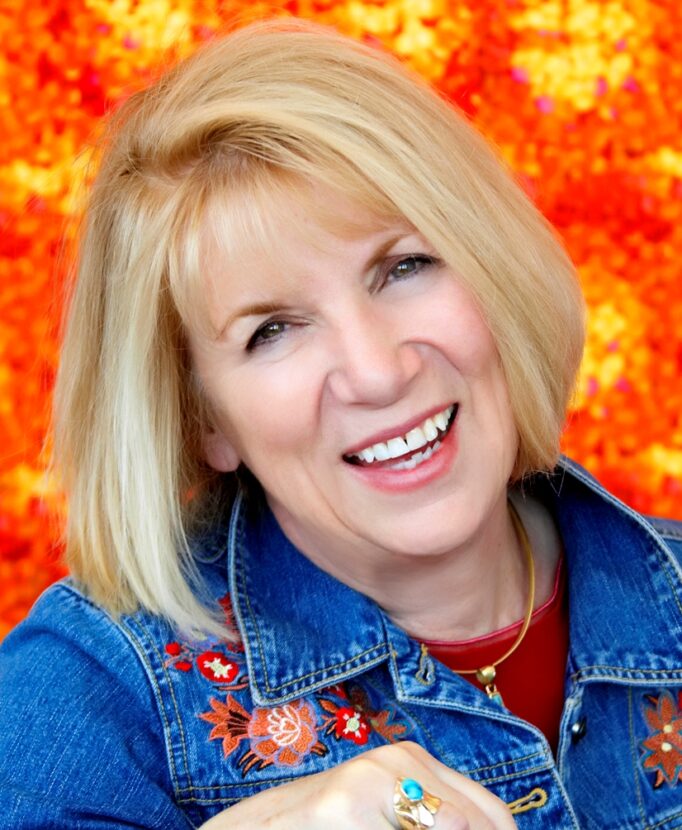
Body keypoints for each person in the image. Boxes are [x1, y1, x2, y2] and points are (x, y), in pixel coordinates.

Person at [1, 16, 681, 830]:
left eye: (404, 267)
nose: (377, 371)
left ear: (494, 271)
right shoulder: (94, 688)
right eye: (271, 331)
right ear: (204, 420)